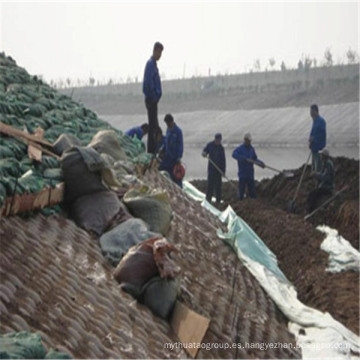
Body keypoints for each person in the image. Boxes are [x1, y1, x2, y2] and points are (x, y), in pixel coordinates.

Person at [143, 41, 164, 154]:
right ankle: (151, 151)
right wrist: (154, 96)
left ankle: (154, 149)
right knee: (153, 126)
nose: (160, 56)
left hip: (154, 99)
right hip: (151, 99)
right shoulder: (150, 64)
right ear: (155, 50)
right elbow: (148, 84)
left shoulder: (154, 65)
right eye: (159, 53)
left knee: (154, 125)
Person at [232, 133, 265, 200]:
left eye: (249, 141)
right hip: (242, 172)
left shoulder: (251, 149)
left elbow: (254, 159)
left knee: (251, 189)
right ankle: (240, 200)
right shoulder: (240, 149)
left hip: (250, 172)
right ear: (245, 140)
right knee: (241, 189)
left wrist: (260, 163)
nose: (248, 142)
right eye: (247, 140)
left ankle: (252, 201)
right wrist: (243, 158)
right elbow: (234, 155)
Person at [159, 114, 184, 187]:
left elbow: (180, 145)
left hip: (175, 158)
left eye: (168, 123)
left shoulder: (178, 132)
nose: (167, 125)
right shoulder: (168, 130)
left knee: (176, 176)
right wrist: (162, 148)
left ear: (172, 121)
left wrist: (179, 157)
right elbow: (166, 141)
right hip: (168, 157)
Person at [307, 148, 334, 212]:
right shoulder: (326, 163)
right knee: (312, 193)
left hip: (327, 187)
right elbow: (323, 174)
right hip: (325, 185)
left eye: (322, 155)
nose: (320, 157)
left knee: (312, 194)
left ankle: (310, 210)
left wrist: (316, 174)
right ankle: (310, 209)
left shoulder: (328, 164)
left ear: (324, 156)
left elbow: (325, 177)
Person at [202, 133, 226, 204]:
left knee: (218, 185)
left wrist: (223, 171)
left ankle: (218, 200)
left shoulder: (221, 148)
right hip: (211, 169)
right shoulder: (210, 145)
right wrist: (204, 153)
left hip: (218, 170)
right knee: (210, 184)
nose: (218, 141)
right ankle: (208, 199)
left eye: (219, 140)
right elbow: (205, 151)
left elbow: (223, 160)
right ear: (215, 139)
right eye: (217, 140)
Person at [309, 104, 326, 172]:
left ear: (316, 111)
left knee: (318, 169)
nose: (311, 113)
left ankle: (318, 181)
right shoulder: (314, 122)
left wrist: (314, 139)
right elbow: (312, 133)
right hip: (314, 149)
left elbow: (322, 135)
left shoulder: (321, 121)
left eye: (312, 111)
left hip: (319, 149)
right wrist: (310, 141)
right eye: (310, 112)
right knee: (313, 169)